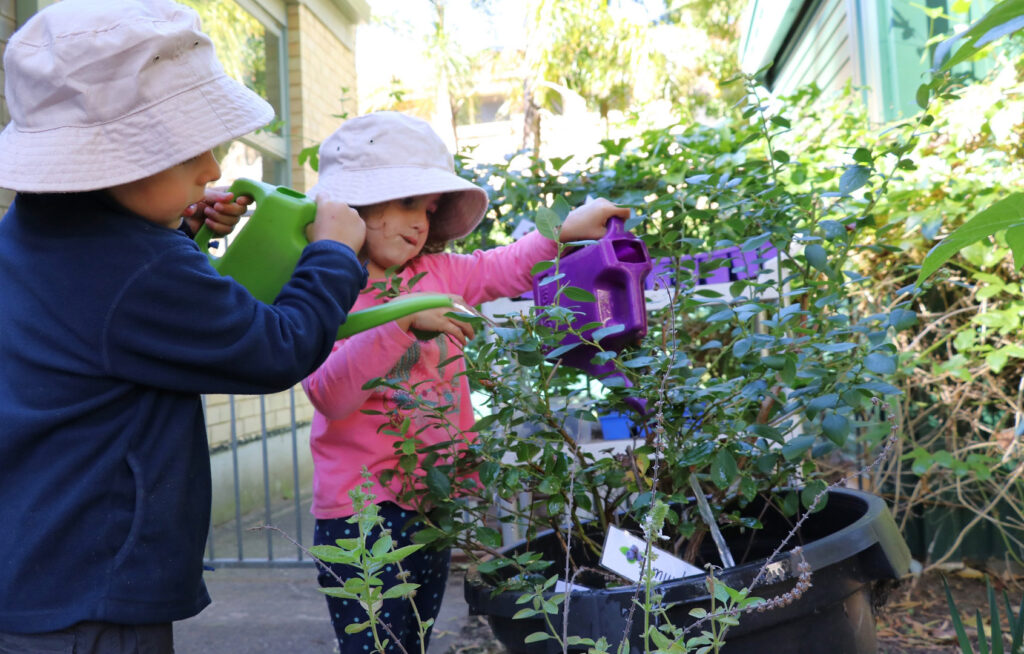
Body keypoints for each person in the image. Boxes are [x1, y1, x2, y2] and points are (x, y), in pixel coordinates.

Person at [0, 2, 367, 653]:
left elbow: (116, 328)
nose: (213, 170)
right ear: (116, 162)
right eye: (189, 149)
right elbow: (276, 348)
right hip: (97, 587)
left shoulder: (29, 234)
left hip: (34, 562)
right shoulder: (140, 269)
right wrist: (333, 254)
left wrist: (182, 232)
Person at [301, 111, 628, 653]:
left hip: (434, 496)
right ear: (354, 206)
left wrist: (562, 230)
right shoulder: (326, 286)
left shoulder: (441, 274)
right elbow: (330, 394)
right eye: (406, 203)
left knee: (415, 638)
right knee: (376, 646)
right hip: (360, 511)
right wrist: (401, 320)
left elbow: (502, 267)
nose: (420, 223)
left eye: (427, 210)